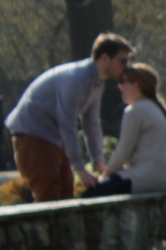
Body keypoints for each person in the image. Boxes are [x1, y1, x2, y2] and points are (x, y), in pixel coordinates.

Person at [4, 33, 133, 201]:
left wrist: (98, 162)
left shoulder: (97, 82)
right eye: (122, 61)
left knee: (66, 194)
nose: (127, 67)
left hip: (54, 138)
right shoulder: (76, 79)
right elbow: (67, 124)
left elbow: (91, 122)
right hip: (33, 134)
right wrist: (80, 168)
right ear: (105, 58)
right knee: (48, 196)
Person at [83, 64, 166, 197]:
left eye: (123, 82)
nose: (120, 86)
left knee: (90, 195)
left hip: (146, 178)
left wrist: (104, 175)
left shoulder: (135, 110)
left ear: (136, 85)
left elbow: (123, 153)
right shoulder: (158, 109)